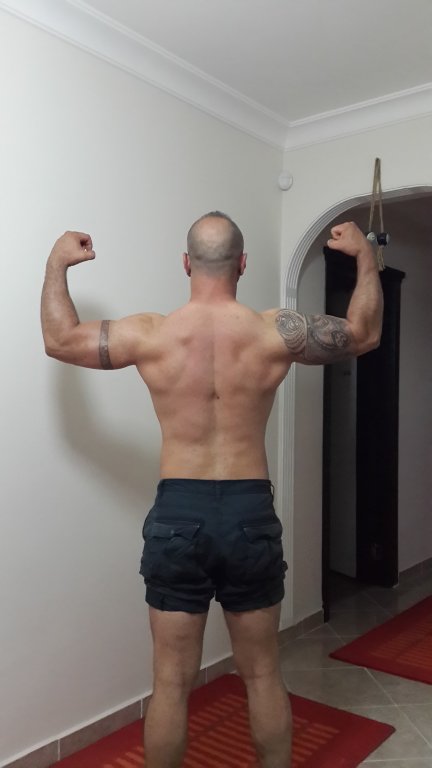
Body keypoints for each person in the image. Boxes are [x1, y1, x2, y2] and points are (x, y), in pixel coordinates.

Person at [41, 213, 383, 768]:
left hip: (179, 512)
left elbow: (59, 340)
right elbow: (364, 333)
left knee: (171, 682)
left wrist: (57, 263)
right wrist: (366, 256)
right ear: (243, 264)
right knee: (263, 672)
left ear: (186, 264)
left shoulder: (152, 333)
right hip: (249, 512)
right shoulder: (274, 331)